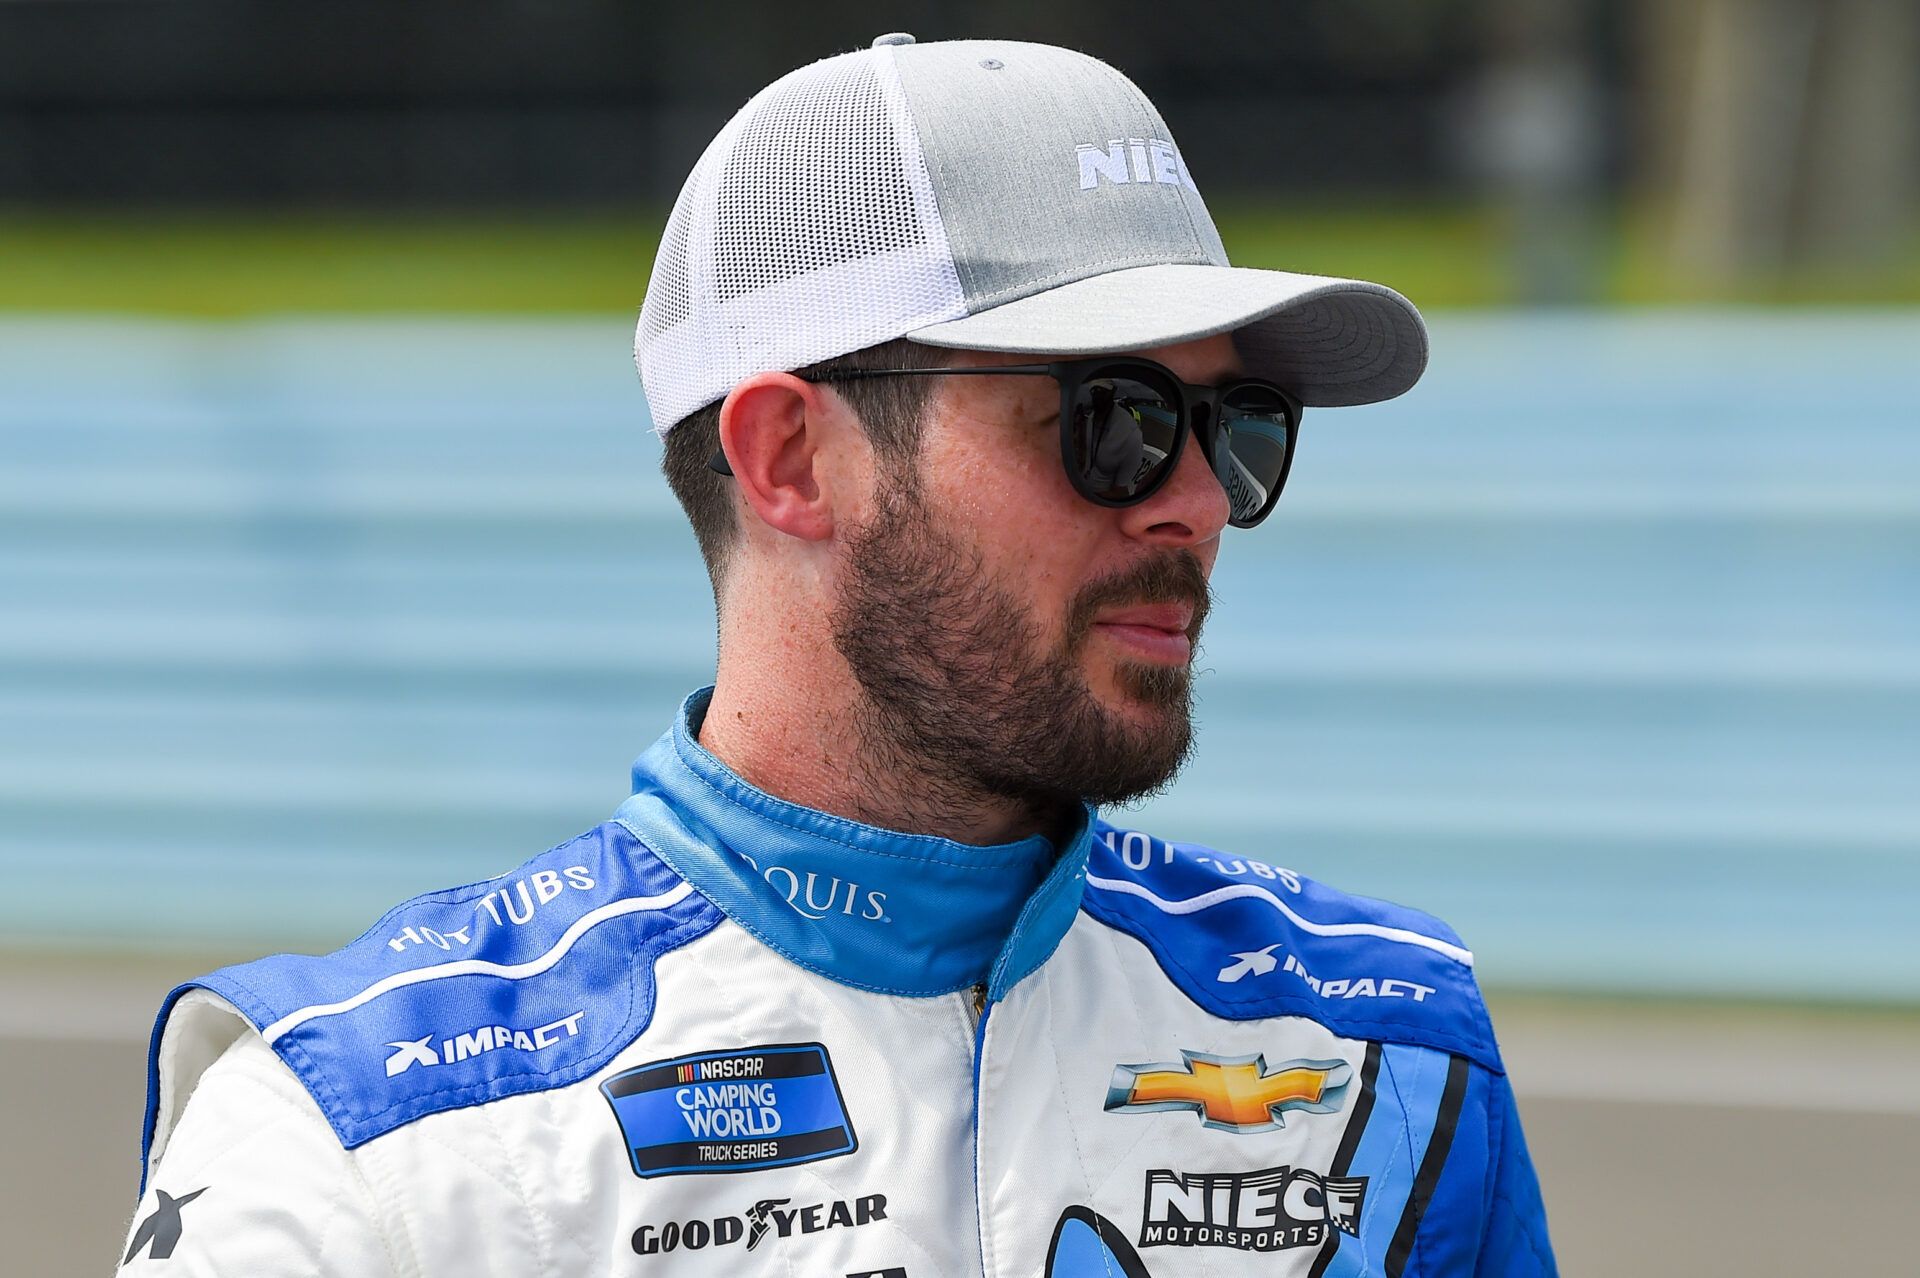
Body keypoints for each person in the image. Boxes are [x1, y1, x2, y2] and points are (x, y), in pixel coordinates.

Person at [119, 34, 1556, 1278]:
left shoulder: (1392, 1055)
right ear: (793, 460)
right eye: (1113, 418)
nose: (1195, 500)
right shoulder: (373, 1138)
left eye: (1238, 425)